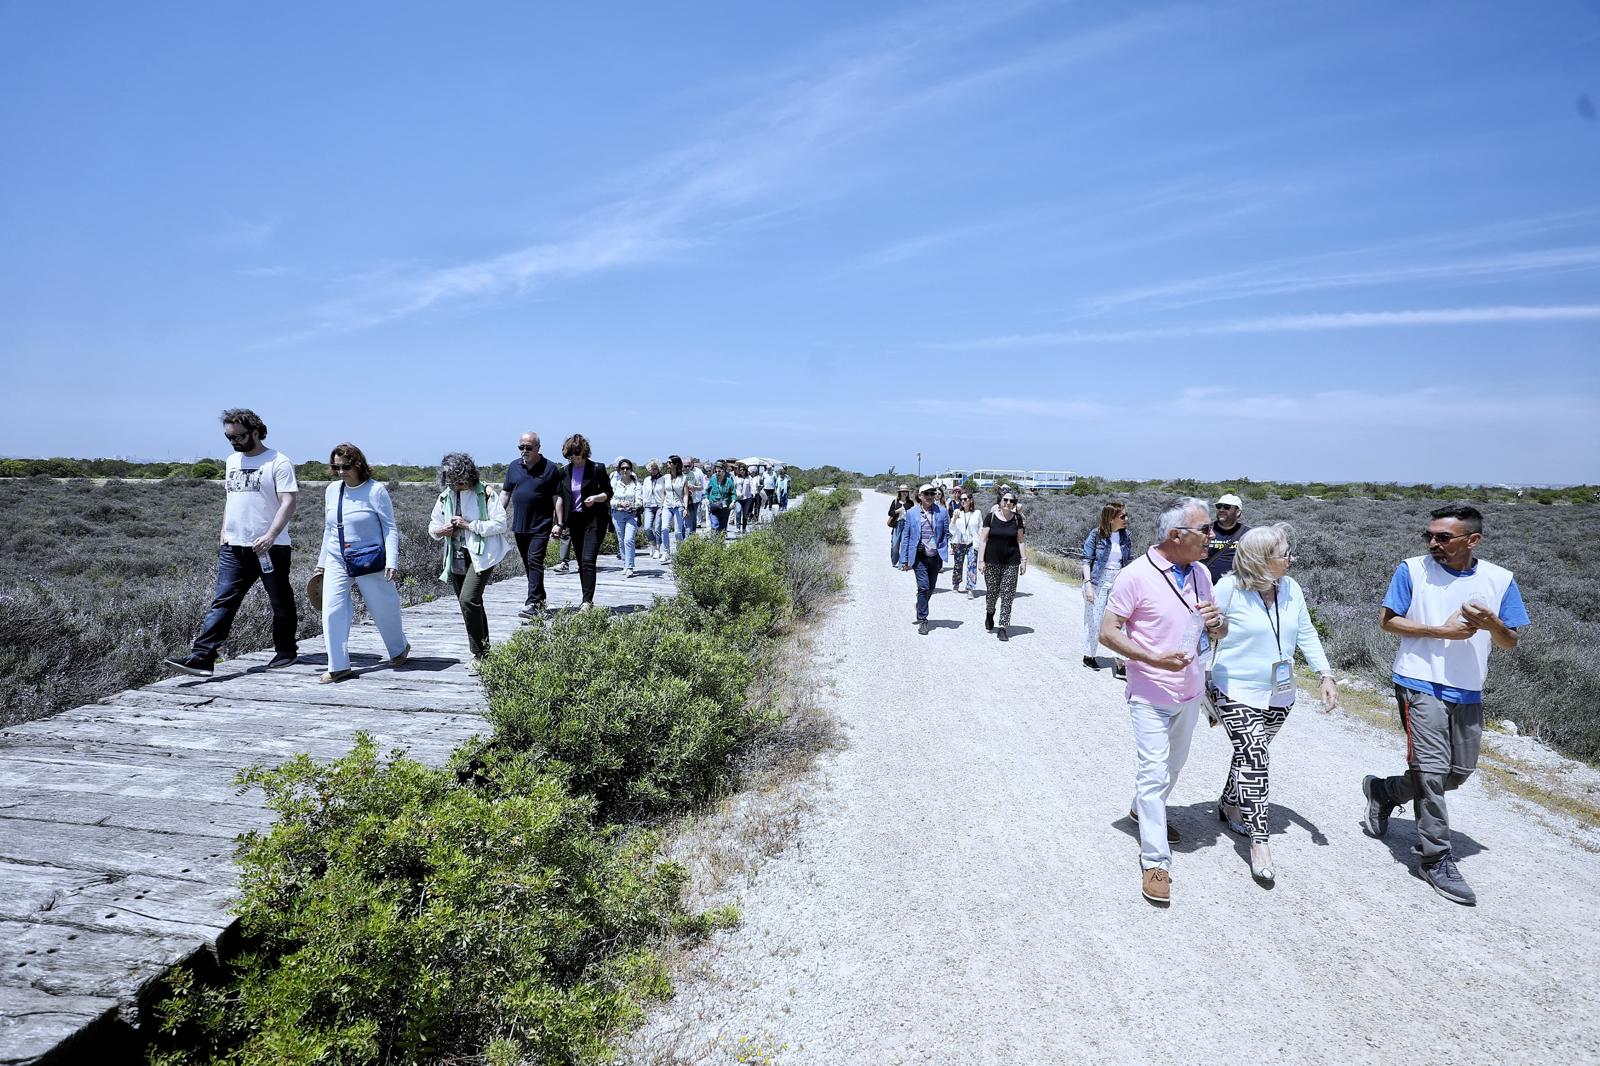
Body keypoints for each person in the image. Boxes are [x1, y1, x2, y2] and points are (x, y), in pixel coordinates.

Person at [1360, 503, 1528, 906]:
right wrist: (1441, 632)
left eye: (1443, 537)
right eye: (1429, 536)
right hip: (1419, 681)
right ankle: (1435, 857)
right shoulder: (1413, 569)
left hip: (1468, 688)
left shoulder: (1499, 580)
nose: (1433, 543)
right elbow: (1387, 620)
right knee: (1432, 773)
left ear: (1473, 540)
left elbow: (1510, 641)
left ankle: (1384, 792)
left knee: (1457, 774)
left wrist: (1492, 625)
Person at [1098, 498, 1226, 905]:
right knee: (1154, 772)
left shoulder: (1202, 573)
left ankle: (1142, 810)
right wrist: (1152, 657)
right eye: (1204, 530)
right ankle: (1156, 862)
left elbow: (1215, 630)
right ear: (1176, 535)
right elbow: (1107, 631)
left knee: (1173, 766)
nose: (1212, 536)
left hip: (1190, 691)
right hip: (1150, 692)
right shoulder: (1136, 576)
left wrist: (1217, 624)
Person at [1209, 524, 1338, 884]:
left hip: (1280, 692)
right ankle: (1260, 840)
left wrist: (1325, 674)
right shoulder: (1229, 589)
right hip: (1233, 688)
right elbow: (1202, 631)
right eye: (1283, 553)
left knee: (1251, 752)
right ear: (1261, 559)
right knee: (1255, 757)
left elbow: (1307, 632)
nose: (1290, 558)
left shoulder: (1291, 588)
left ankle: (1229, 803)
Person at [164, 408, 299, 676]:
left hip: (271, 548)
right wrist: (224, 531)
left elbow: (289, 502)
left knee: (280, 601)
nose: (234, 442)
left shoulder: (278, 462)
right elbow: (231, 498)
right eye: (229, 437)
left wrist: (271, 535)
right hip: (234, 547)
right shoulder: (232, 461)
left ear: (256, 432)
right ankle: (202, 657)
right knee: (223, 601)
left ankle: (286, 651)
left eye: (239, 436)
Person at [314, 443, 409, 683]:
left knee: (383, 607)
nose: (341, 472)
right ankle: (338, 666)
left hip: (369, 558)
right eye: (336, 467)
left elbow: (390, 527)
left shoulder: (375, 491)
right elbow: (329, 529)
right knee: (332, 610)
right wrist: (322, 562)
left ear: (358, 465)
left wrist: (392, 560)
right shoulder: (332, 491)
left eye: (346, 466)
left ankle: (399, 649)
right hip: (338, 557)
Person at [428, 452, 510, 673]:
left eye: (461, 480)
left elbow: (501, 524)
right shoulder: (446, 496)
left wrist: (469, 525)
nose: (459, 485)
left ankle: (478, 654)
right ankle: (485, 651)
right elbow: (433, 526)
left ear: (469, 474)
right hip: (455, 555)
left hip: (483, 555)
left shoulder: (486, 493)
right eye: (454, 481)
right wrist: (441, 531)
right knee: (473, 603)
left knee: (468, 599)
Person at [500, 431, 561, 618]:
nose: (524, 451)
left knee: (535, 560)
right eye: (521, 447)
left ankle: (532, 603)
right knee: (528, 563)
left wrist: (559, 523)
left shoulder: (550, 468)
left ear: (538, 448)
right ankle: (540, 599)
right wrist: (496, 516)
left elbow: (557, 497)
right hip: (520, 525)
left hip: (541, 524)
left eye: (528, 447)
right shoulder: (513, 467)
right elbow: (505, 493)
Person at [554, 434, 612, 608]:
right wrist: (559, 523)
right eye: (571, 456)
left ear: (584, 453)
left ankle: (587, 602)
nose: (574, 459)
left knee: (588, 559)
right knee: (581, 562)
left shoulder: (597, 469)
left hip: (595, 520)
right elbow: (560, 498)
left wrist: (595, 498)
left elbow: (609, 493)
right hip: (575, 521)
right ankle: (586, 598)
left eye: (577, 456)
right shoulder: (563, 472)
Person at [1082, 501, 1133, 677]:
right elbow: (1087, 560)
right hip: (1098, 581)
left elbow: (1127, 561)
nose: (1126, 519)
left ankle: (1120, 662)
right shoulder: (1096, 535)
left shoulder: (1126, 536)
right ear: (1111, 518)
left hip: (1119, 580)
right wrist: (1088, 584)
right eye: (1123, 516)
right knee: (1094, 619)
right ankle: (1089, 655)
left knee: (1121, 621)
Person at [897, 484, 949, 636]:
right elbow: (906, 536)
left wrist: (944, 546)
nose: (931, 496)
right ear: (920, 496)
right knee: (923, 586)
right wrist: (904, 560)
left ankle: (920, 604)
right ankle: (923, 619)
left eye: (933, 493)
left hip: (935, 555)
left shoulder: (943, 511)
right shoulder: (912, 513)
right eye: (927, 493)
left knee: (931, 587)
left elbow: (946, 532)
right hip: (919, 555)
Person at [977, 490, 1027, 640]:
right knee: (992, 592)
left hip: (1011, 562)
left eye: (1012, 501)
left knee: (1007, 594)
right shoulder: (990, 517)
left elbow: (1020, 541)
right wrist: (981, 560)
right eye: (1005, 500)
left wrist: (1024, 560)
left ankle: (1003, 627)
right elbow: (983, 540)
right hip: (992, 561)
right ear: (1000, 501)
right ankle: (989, 612)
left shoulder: (1017, 519)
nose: (1008, 503)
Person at [1204, 493, 1250, 582]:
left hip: (1236, 588)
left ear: (1238, 512)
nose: (1221, 510)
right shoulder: (1205, 530)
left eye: (1226, 507)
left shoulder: (1248, 535)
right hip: (1206, 586)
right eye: (1218, 506)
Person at [610, 458, 643, 578]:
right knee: (621, 540)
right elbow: (611, 500)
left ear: (631, 470)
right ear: (619, 470)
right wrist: (619, 504)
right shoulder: (615, 484)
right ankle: (625, 563)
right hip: (617, 514)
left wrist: (634, 505)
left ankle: (630, 566)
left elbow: (640, 500)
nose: (625, 470)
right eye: (622, 468)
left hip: (631, 515)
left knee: (629, 539)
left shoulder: (636, 484)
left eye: (627, 468)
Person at [949, 491, 982, 596]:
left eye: (965, 499)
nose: (962, 501)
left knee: (972, 564)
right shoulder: (957, 512)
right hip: (959, 542)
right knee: (958, 564)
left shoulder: (977, 513)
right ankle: (956, 583)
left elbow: (981, 526)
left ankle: (970, 588)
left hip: (972, 542)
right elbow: (952, 529)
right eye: (961, 499)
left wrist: (980, 538)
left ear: (970, 500)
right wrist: (954, 519)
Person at [661, 455, 687, 562]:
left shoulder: (683, 478)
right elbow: (664, 492)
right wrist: (661, 507)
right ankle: (666, 552)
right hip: (667, 506)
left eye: (670, 462)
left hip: (678, 505)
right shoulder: (665, 477)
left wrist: (685, 508)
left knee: (677, 532)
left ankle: (680, 552)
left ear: (676, 464)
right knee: (664, 528)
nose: (668, 464)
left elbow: (685, 494)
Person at [641, 459, 666, 561]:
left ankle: (658, 550)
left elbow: (665, 492)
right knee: (647, 527)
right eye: (652, 468)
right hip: (648, 506)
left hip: (659, 505)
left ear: (659, 469)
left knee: (657, 528)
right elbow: (643, 492)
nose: (654, 470)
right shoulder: (647, 479)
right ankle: (652, 544)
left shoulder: (663, 479)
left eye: (655, 468)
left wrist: (663, 506)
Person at [706, 461, 737, 538]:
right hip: (714, 506)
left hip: (725, 508)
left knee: (723, 528)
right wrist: (706, 499)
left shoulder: (729, 481)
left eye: (719, 471)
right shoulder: (712, 480)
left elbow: (733, 493)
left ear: (724, 471)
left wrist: (733, 502)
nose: (717, 473)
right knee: (715, 525)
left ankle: (720, 545)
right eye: (716, 471)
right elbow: (707, 491)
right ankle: (715, 543)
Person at [887, 484, 914, 566]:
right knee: (895, 544)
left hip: (907, 525)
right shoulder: (895, 502)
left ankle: (902, 563)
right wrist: (897, 511)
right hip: (897, 524)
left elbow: (913, 514)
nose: (904, 493)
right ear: (900, 492)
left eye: (906, 491)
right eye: (902, 491)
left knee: (904, 545)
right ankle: (894, 560)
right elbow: (890, 513)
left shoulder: (910, 503)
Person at [683, 459, 708, 534]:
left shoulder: (696, 473)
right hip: (682, 500)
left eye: (689, 465)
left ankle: (692, 537)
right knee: (684, 521)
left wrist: (694, 487)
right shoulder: (680, 474)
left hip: (694, 500)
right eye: (685, 466)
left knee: (693, 520)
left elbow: (701, 486)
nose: (687, 467)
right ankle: (685, 537)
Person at [734, 463, 756, 534]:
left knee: (745, 514)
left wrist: (753, 494)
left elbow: (752, 487)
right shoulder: (736, 478)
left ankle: (744, 528)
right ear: (738, 470)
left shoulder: (749, 478)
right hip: (738, 498)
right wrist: (737, 494)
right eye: (740, 470)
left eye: (743, 470)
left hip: (747, 498)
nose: (742, 471)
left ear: (745, 470)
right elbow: (734, 488)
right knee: (738, 511)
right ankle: (737, 528)